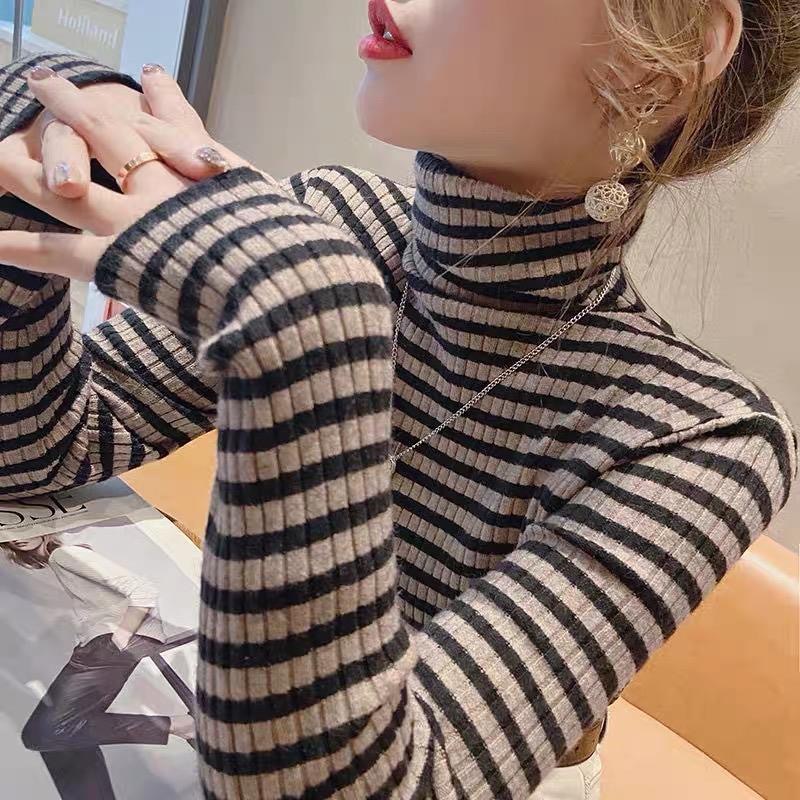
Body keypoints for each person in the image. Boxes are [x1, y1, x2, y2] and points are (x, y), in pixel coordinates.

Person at [0, 1, 796, 798]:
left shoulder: (699, 432)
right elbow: (35, 453)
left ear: (660, 62)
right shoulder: (339, 223)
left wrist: (314, 324)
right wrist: (44, 134)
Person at [0, 535, 195, 800]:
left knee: (42, 733)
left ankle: (180, 725)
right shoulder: (61, 559)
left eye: (24, 529)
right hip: (96, 644)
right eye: (10, 534)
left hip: (108, 643)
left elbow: (143, 589)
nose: (19, 538)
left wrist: (121, 635)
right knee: (58, 739)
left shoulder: (65, 555)